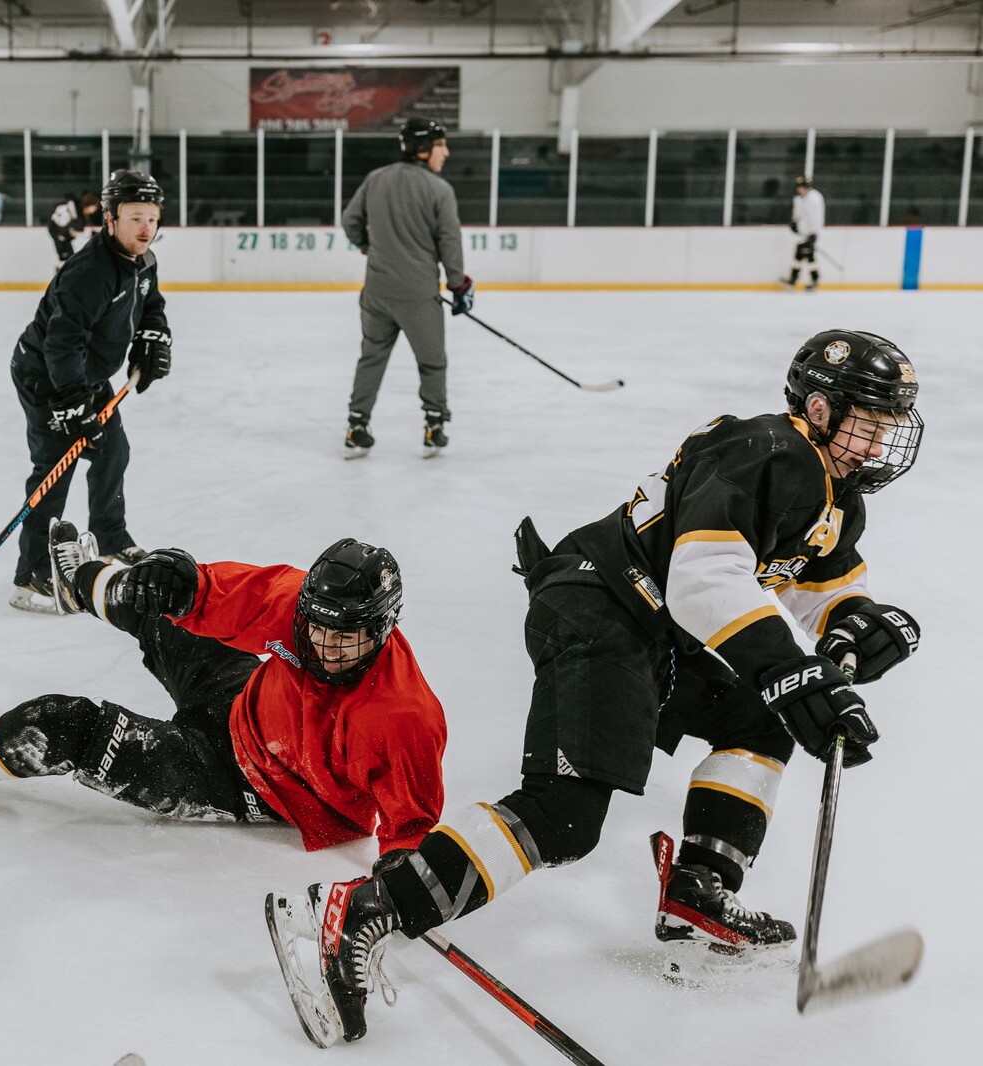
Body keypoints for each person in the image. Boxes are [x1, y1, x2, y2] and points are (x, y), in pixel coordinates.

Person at [269, 330, 924, 1044]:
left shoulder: (832, 497)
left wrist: (858, 626)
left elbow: (817, 592)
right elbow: (703, 582)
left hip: (654, 630)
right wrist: (794, 670)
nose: (883, 440)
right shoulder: (767, 450)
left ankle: (700, 890)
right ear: (822, 409)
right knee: (564, 817)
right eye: (871, 420)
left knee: (762, 718)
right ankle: (368, 907)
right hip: (600, 606)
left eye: (891, 424)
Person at [0, 526, 446, 863]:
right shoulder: (302, 611)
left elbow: (410, 832)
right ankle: (80, 583)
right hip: (243, 703)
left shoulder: (400, 717)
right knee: (156, 602)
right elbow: (223, 595)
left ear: (382, 628)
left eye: (343, 636)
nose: (321, 645)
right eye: (314, 626)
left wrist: (396, 895)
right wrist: (185, 581)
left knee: (65, 726)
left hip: (251, 783)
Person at [6, 169, 172, 614]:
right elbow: (62, 342)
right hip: (47, 378)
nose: (146, 229)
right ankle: (32, 575)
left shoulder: (143, 262)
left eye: (153, 219)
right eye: (136, 218)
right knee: (53, 470)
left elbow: (151, 305)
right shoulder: (90, 270)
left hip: (86, 378)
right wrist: (74, 402)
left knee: (112, 450)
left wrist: (153, 338)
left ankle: (111, 536)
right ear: (110, 218)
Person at [340, 116, 475, 461]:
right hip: (418, 297)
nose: (446, 152)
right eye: (441, 144)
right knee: (432, 363)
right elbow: (450, 243)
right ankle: (434, 427)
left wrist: (367, 244)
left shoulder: (376, 179)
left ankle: (356, 427)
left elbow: (350, 221)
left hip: (377, 293)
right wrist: (459, 286)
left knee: (371, 358)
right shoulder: (439, 190)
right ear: (423, 148)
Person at [780, 175, 826, 292]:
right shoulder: (799, 198)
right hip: (802, 233)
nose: (799, 189)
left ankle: (795, 280)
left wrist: (814, 233)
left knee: (803, 254)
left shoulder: (814, 198)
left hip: (810, 233)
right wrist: (794, 222)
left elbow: (817, 217)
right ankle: (810, 279)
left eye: (801, 187)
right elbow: (798, 212)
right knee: (804, 255)